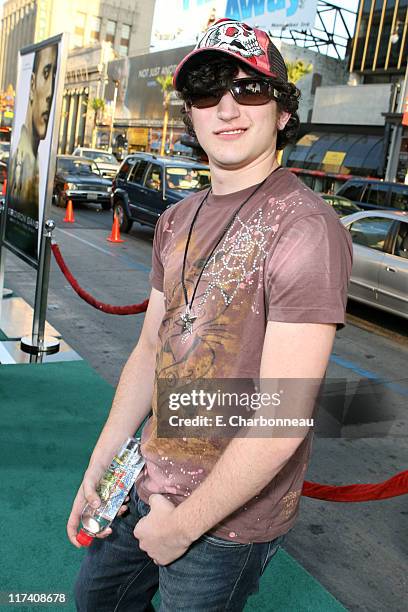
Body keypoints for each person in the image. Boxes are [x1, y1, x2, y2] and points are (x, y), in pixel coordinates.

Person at [69, 18, 353, 611]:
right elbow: (151, 351)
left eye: (249, 89)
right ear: (191, 115)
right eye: (207, 91)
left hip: (227, 522)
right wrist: (99, 468)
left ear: (282, 113)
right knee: (96, 601)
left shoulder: (306, 229)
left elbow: (286, 412)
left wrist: (181, 528)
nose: (227, 107)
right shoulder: (177, 219)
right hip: (143, 483)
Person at [7, 43, 58, 221]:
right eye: (46, 73)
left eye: (55, 75)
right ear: (31, 84)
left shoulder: (34, 163)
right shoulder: (23, 164)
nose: (51, 92)